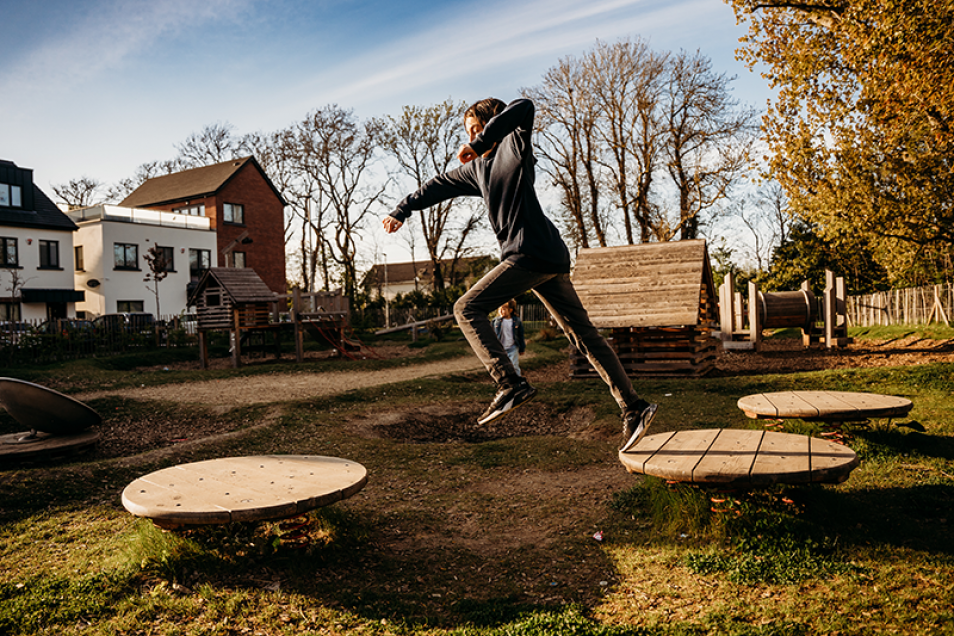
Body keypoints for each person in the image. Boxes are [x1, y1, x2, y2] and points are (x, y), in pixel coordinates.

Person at [382, 97, 657, 451]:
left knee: (466, 309)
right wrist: (402, 210)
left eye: (476, 129)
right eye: (469, 134)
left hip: (530, 254)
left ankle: (510, 383)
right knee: (584, 336)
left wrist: (480, 141)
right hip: (547, 258)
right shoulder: (477, 169)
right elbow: (436, 186)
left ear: (491, 123)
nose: (472, 139)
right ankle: (634, 407)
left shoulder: (516, 144)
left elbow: (524, 106)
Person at [493, 299, 525, 377]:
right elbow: (492, 335)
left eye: (503, 309)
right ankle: (505, 381)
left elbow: (521, 335)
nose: (500, 311)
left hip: (512, 347)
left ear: (510, 310)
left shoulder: (517, 321)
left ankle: (518, 380)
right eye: (499, 309)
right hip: (500, 348)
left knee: (514, 365)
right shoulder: (495, 321)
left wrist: (522, 348)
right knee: (501, 366)